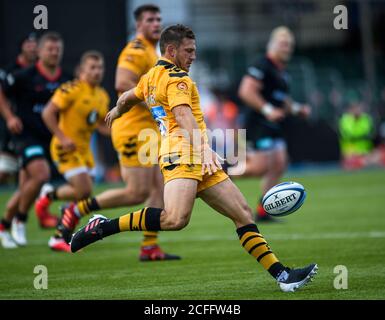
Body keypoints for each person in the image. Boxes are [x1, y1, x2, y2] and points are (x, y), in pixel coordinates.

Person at [70, 24, 318, 292]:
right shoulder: (177, 79)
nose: (193, 56)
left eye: (194, 51)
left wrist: (117, 110)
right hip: (182, 154)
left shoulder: (151, 76)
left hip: (196, 156)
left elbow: (129, 96)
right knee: (175, 220)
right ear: (171, 50)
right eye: (188, 51)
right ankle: (103, 227)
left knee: (243, 214)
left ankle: (283, 276)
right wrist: (204, 150)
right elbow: (183, 116)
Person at [52, 4, 179, 260]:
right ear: (139, 25)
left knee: (158, 186)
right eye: (150, 20)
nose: (156, 23)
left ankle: (149, 246)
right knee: (137, 193)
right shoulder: (135, 49)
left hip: (146, 130)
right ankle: (77, 210)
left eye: (158, 19)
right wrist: (157, 103)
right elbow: (122, 83)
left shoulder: (151, 51)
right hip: (133, 129)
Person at [0, 32, 70, 249]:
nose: (54, 52)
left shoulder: (65, 79)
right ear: (39, 52)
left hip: (48, 138)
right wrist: (10, 117)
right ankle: (20, 220)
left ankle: (4, 226)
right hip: (25, 136)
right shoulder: (24, 76)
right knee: (41, 175)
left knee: (25, 188)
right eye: (50, 48)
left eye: (57, 49)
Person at [37, 51, 110, 252]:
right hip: (64, 147)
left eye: (100, 67)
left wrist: (122, 132)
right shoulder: (71, 89)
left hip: (84, 152)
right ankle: (51, 202)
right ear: (82, 71)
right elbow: (47, 113)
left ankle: (60, 230)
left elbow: (101, 125)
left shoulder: (101, 95)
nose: (97, 72)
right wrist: (62, 137)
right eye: (92, 68)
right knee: (84, 190)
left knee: (83, 195)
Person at [237, 26, 310, 222]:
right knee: (259, 167)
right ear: (272, 45)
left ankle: (263, 210)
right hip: (257, 124)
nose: (287, 48)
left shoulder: (282, 72)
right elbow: (246, 91)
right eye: (283, 44)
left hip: (273, 125)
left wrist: (296, 109)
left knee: (279, 163)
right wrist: (268, 110)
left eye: (290, 45)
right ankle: (218, 174)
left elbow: (282, 100)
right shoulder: (262, 64)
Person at [0, 33, 38, 184]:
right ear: (21, 47)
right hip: (13, 127)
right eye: (29, 45)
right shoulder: (10, 71)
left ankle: (22, 207)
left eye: (35, 45)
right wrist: (9, 117)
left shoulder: (40, 71)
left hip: (33, 127)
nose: (32, 48)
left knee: (30, 171)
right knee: (4, 172)